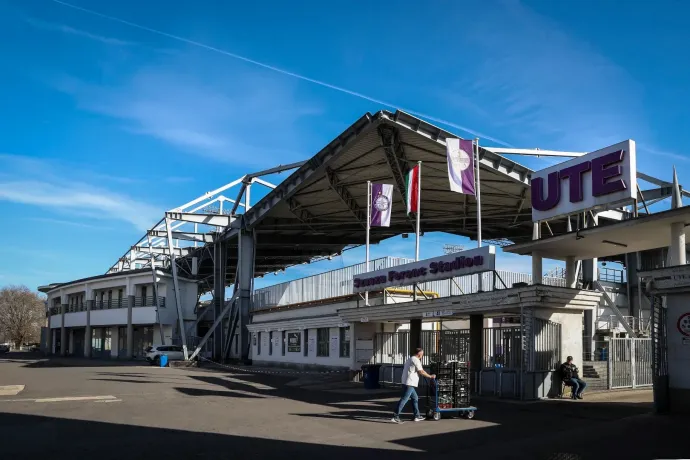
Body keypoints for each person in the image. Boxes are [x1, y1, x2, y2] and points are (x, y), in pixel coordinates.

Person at [391, 347, 436, 423]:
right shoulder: (416, 360)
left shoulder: (410, 359)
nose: (423, 354)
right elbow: (421, 371)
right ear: (419, 353)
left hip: (407, 382)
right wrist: (430, 376)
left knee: (415, 398)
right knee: (404, 399)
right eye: (422, 353)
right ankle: (395, 416)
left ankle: (417, 415)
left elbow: (416, 370)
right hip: (410, 383)